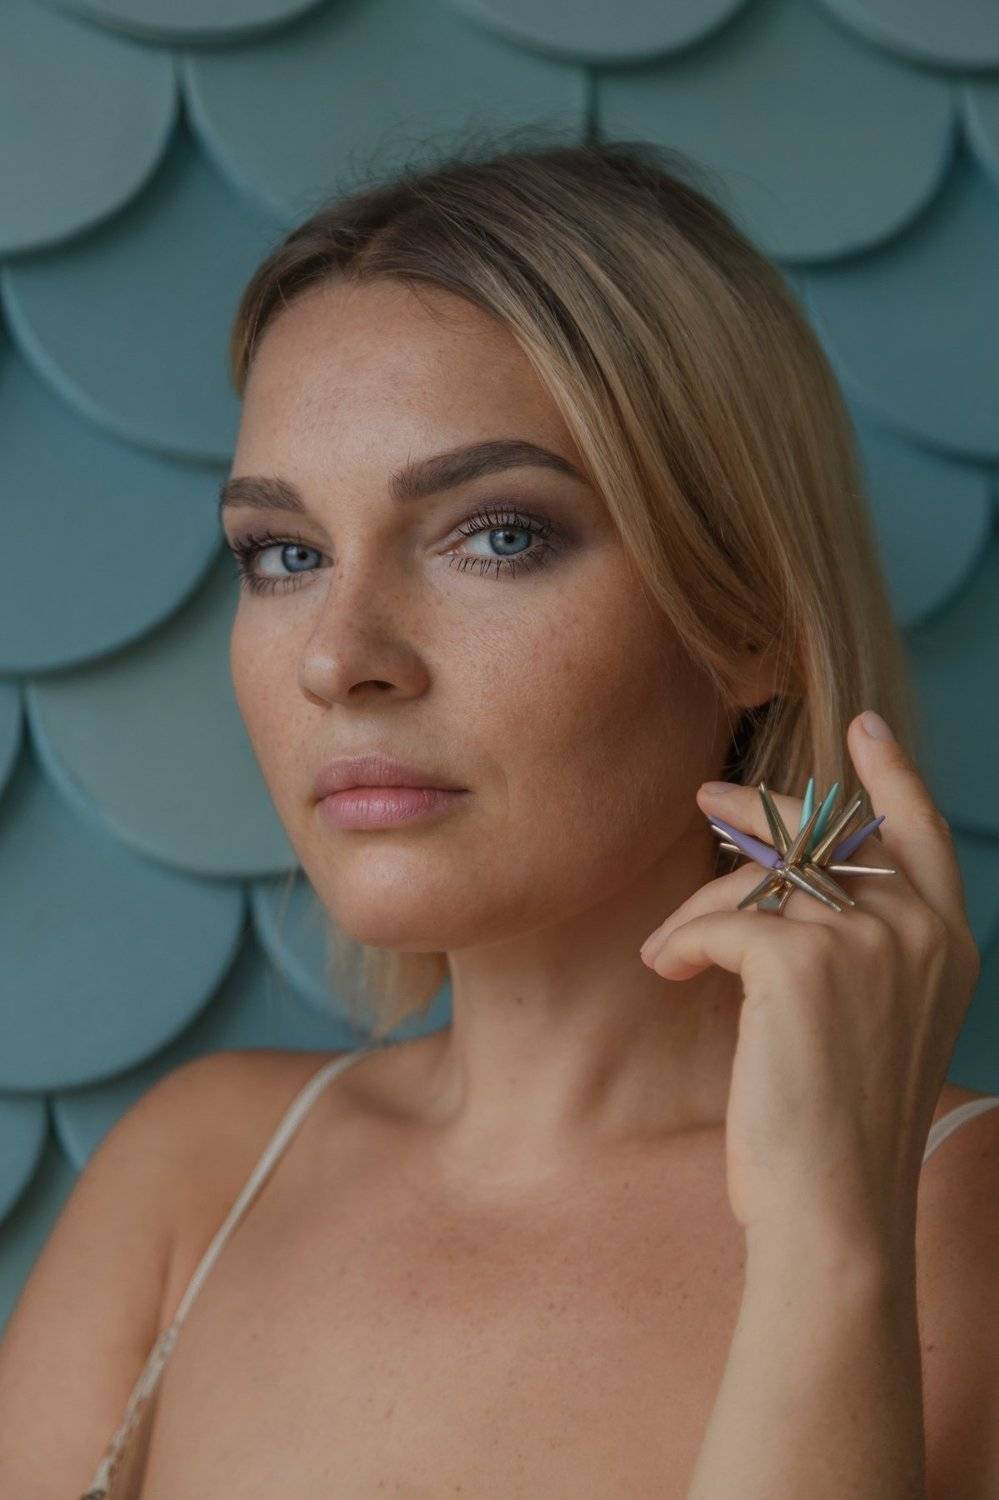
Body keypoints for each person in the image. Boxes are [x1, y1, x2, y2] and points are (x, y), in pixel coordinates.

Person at [3, 135, 997, 1498]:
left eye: (498, 536)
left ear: (749, 617)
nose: (337, 658)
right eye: (285, 554)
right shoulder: (194, 1173)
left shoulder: (964, 1220)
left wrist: (832, 1230)